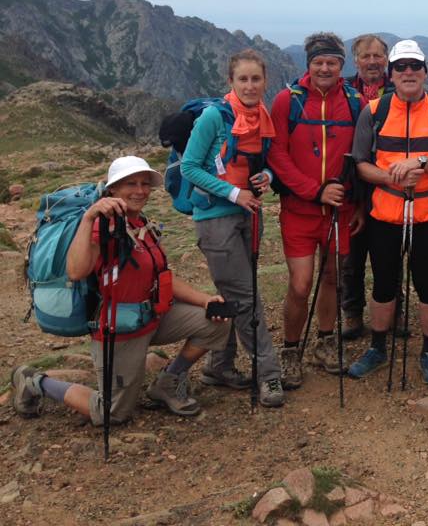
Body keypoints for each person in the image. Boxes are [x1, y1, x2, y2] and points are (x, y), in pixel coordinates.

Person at [11, 156, 231, 423]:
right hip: (120, 329)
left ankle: (168, 383)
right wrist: (88, 218)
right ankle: (34, 381)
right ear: (113, 189)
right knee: (111, 413)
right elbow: (76, 271)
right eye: (131, 184)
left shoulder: (141, 223)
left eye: (144, 184)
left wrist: (206, 300)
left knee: (216, 323)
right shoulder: (102, 226)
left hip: (153, 317)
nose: (140, 190)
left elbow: (161, 277)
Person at [346, 39, 428, 385]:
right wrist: (391, 176)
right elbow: (360, 165)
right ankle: (377, 347)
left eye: (414, 66)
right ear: (392, 73)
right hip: (384, 215)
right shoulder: (374, 112)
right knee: (384, 285)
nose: (408, 73)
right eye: (400, 67)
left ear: (425, 71)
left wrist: (421, 163)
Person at [180, 49, 285, 407]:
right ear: (231, 81)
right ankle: (268, 375)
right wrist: (234, 192)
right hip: (216, 219)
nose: (250, 85)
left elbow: (269, 163)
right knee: (247, 297)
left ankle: (219, 366)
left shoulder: (263, 117)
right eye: (243, 79)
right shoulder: (214, 117)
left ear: (265, 81)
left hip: (249, 214)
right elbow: (189, 167)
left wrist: (267, 176)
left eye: (256, 79)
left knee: (233, 290)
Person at [268, 32, 363, 389]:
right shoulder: (286, 102)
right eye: (318, 62)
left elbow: (360, 159)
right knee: (300, 283)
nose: (325, 67)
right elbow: (276, 154)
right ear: (308, 64)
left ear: (341, 65)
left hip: (339, 210)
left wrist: (357, 205)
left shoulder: (354, 103)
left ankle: (325, 341)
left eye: (332, 62)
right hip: (300, 210)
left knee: (331, 278)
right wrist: (315, 191)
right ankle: (291, 349)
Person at [341, 34, 394, 340]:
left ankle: (391, 309)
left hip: (389, 181)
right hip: (352, 181)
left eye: (378, 56)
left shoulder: (399, 84)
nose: (373, 61)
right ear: (356, 60)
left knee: (389, 250)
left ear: (386, 59)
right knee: (353, 252)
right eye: (366, 56)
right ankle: (352, 311)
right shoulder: (344, 91)